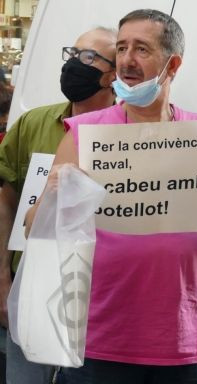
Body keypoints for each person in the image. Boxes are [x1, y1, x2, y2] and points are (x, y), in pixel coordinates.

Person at [25, 10, 197, 383]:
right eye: (121, 48)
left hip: (181, 344)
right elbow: (32, 228)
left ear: (173, 64)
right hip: (98, 341)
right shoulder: (85, 134)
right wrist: (55, 195)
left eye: (141, 49)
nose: (126, 60)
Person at [0, 27, 117, 384]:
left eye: (87, 57)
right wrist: (2, 280)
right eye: (72, 53)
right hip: (34, 283)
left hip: (100, 296)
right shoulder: (34, 122)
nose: (73, 64)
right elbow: (6, 201)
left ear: (113, 74)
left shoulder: (125, 133)